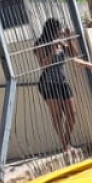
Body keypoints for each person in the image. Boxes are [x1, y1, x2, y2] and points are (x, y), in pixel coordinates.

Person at [35, 17, 77, 148]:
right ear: (53, 30)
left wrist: (69, 39)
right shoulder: (40, 44)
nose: (60, 31)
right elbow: (43, 65)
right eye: (59, 29)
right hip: (48, 83)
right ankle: (65, 144)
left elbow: (74, 54)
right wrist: (53, 51)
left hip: (62, 81)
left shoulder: (60, 42)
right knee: (57, 115)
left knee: (72, 114)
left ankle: (67, 139)